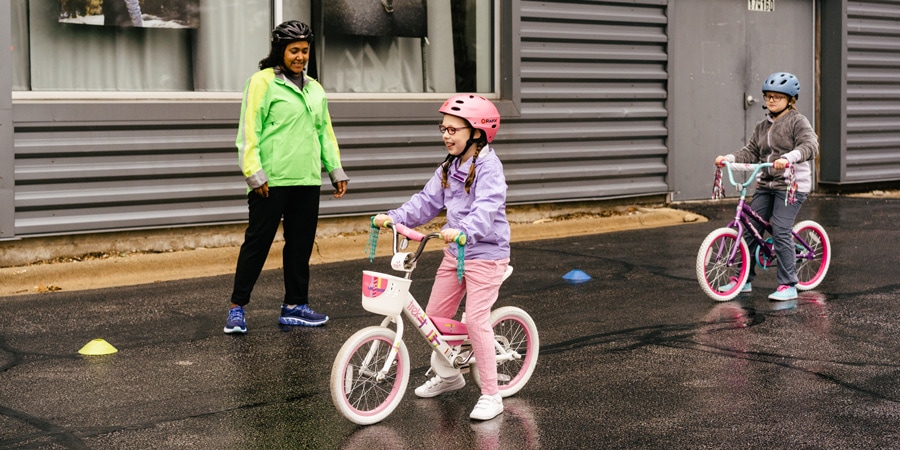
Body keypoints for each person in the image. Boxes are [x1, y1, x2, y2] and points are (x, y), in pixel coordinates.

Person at [373, 93, 509, 421]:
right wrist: (395, 218)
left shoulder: (489, 168)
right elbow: (426, 202)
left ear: (477, 133)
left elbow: (487, 208)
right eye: (443, 128)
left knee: (476, 319)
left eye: (454, 130)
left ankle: (492, 393)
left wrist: (464, 230)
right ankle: (451, 375)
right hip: (455, 254)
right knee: (433, 321)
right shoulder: (449, 167)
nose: (446, 135)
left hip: (486, 255)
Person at [224, 20, 349, 334]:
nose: (300, 57)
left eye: (305, 51)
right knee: (258, 243)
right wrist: (254, 173)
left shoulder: (314, 88)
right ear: (280, 50)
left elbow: (324, 133)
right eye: (294, 50)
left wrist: (335, 170)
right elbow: (249, 131)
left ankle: (295, 306)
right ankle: (237, 307)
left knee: (300, 245)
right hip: (271, 180)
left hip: (306, 179)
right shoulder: (262, 82)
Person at [714, 72, 818, 301]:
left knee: (780, 229)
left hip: (791, 186)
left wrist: (789, 158)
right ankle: (743, 278)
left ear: (790, 100)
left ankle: (788, 284)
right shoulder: (762, 126)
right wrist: (730, 158)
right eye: (768, 96)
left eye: (777, 97)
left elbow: (810, 145)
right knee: (749, 229)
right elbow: (751, 151)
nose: (771, 101)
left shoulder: (797, 122)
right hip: (766, 184)